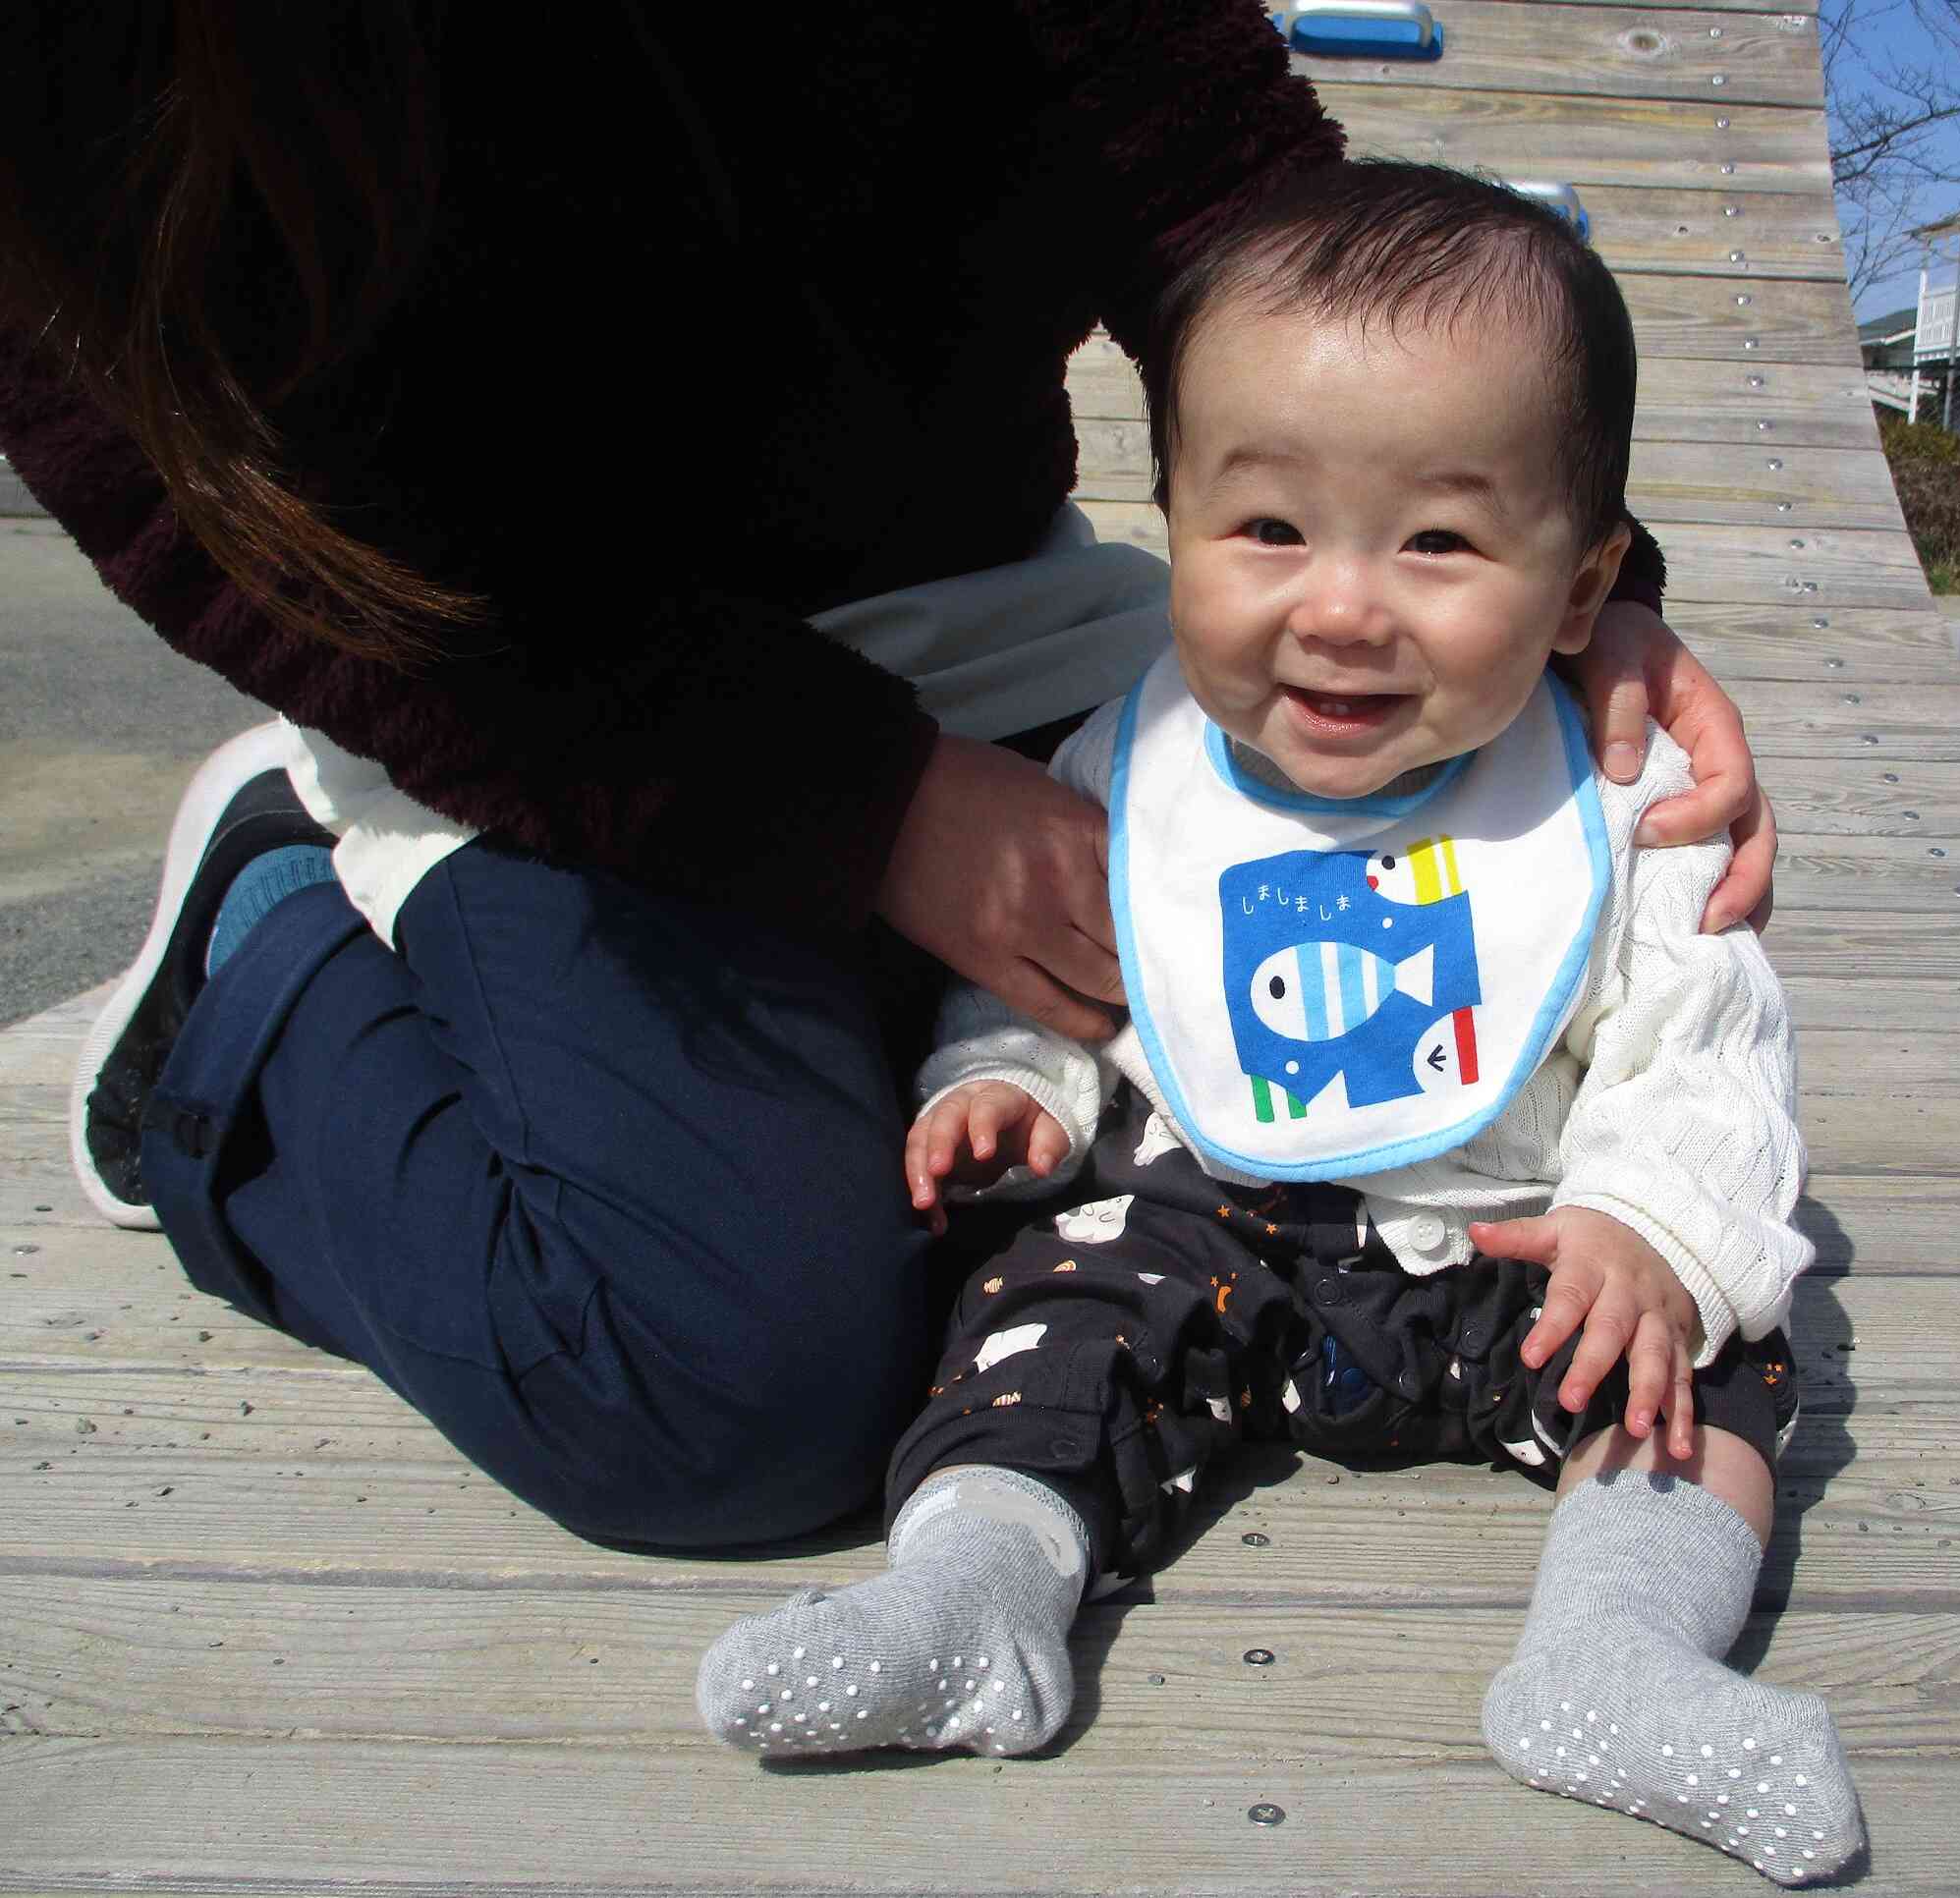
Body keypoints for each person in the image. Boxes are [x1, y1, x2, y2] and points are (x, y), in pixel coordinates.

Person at [0, 5, 1773, 1553]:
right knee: (735, 1384)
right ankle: (261, 979)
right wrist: (861, 805)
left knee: (989, 1214)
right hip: (524, 687)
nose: (1345, 608)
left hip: (990, 607)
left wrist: (1552, 603)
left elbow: (1229, 203)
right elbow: (186, 482)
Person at [695, 163, 1861, 1886]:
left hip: (1516, 1242)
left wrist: (1649, 1228)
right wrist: (1009, 1077)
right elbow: (1071, 962)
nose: (1338, 605)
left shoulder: (1616, 795)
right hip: (1207, 1217)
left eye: (1441, 542)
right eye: (1265, 528)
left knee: (1719, 1357)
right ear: (1167, 509)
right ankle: (976, 1594)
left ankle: (1616, 1656)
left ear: (1583, 579)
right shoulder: (1133, 757)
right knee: (1043, 1300)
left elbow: (1705, 1042)